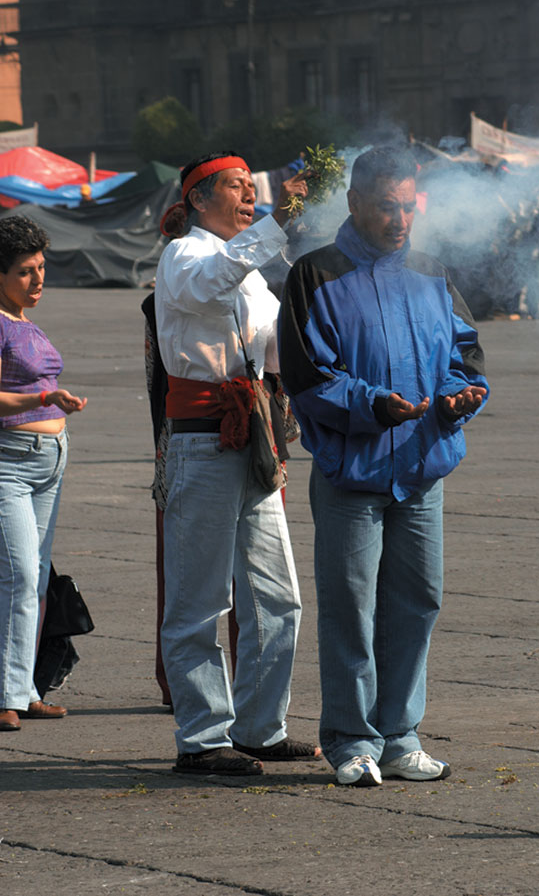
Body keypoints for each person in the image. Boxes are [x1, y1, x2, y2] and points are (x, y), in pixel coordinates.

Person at [278, 145, 489, 787]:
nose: (398, 221)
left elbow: (466, 355)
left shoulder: (432, 271)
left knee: (418, 600)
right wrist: (372, 404)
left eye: (407, 207)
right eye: (385, 208)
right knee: (350, 605)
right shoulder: (314, 274)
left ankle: (399, 735)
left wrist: (459, 398)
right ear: (354, 204)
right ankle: (350, 740)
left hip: (422, 469)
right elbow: (307, 376)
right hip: (352, 475)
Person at [154, 151, 320, 775]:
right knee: (199, 600)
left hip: (252, 437)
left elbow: (279, 352)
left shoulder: (249, 273)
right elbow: (208, 283)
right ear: (198, 199)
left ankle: (258, 726)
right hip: (202, 439)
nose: (250, 197)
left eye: (254, 189)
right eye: (236, 187)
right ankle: (201, 736)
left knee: (278, 596)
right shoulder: (185, 255)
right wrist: (277, 228)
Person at [0, 215, 87, 732]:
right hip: (9, 460)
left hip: (50, 462)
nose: (38, 280)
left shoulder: (26, 321)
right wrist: (43, 396)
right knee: (17, 576)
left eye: (41, 268)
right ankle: (7, 693)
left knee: (31, 582)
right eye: (25, 272)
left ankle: (23, 688)